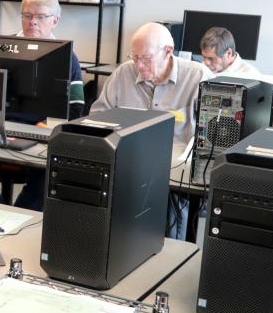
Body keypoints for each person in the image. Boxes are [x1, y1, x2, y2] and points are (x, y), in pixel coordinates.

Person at [0, 0, 80, 211]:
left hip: (40, 133)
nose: (33, 22)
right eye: (27, 15)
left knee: (48, 175)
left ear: (55, 21)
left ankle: (15, 215)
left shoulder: (68, 58)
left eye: (40, 17)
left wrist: (49, 127)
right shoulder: (1, 47)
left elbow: (76, 107)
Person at [91, 21, 212, 240]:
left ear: (167, 52)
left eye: (145, 58)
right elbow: (97, 118)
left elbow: (213, 133)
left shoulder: (198, 77)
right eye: (134, 57)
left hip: (175, 172)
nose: (138, 65)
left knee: (172, 217)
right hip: (128, 165)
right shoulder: (122, 74)